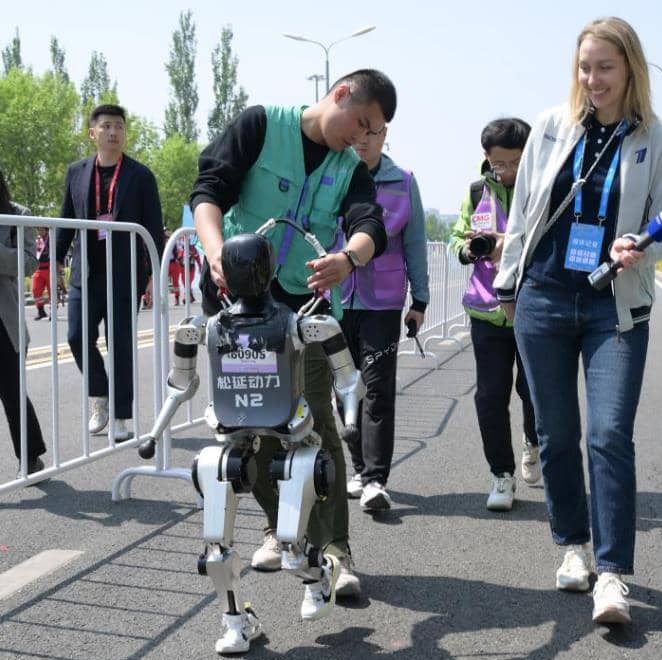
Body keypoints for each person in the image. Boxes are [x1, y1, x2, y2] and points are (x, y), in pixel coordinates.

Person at [493, 17, 662, 624]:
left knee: (609, 434)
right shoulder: (552, 126)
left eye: (605, 67)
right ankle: (573, 546)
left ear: (630, 69)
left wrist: (642, 246)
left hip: (613, 304)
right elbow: (524, 210)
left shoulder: (660, 140)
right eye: (584, 67)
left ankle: (613, 572)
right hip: (544, 296)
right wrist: (508, 284)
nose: (593, 79)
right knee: (555, 434)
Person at [190, 69, 394, 602]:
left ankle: (335, 550)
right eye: (361, 123)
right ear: (340, 94)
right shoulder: (261, 126)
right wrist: (216, 253)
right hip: (239, 309)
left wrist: (348, 258)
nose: (361, 137)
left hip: (304, 314)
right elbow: (209, 190)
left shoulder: (350, 167)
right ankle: (277, 528)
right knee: (248, 424)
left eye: (372, 132)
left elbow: (370, 223)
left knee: (315, 426)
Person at [55, 104, 164, 443]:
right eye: (106, 126)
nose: (113, 132)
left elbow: (153, 228)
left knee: (121, 345)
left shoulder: (141, 176)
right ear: (93, 133)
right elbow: (66, 219)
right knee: (76, 336)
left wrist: (153, 272)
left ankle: (120, 416)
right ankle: (99, 394)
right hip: (85, 273)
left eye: (119, 126)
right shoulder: (76, 172)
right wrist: (53, 260)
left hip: (125, 274)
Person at [450, 118, 539, 512]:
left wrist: (513, 245)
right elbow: (457, 237)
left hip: (533, 308)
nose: (508, 171)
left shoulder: (541, 187)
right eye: (499, 163)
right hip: (487, 311)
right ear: (486, 157)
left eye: (516, 162)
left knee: (534, 392)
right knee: (489, 395)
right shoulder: (476, 192)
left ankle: (533, 441)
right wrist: (468, 249)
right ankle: (502, 474)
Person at [340, 122, 429, 513]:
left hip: (383, 302)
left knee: (377, 388)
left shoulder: (403, 182)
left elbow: (416, 242)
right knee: (346, 389)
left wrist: (420, 299)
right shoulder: (334, 175)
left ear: (384, 133)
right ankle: (359, 469)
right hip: (336, 299)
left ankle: (376, 479)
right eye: (356, 133)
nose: (363, 141)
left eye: (372, 133)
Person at [0, 170, 48, 480]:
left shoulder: (17, 214)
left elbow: (29, 262)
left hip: (4, 319)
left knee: (12, 391)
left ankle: (30, 457)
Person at [30, 227, 56, 320]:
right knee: (35, 290)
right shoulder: (37, 240)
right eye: (38, 230)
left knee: (52, 292)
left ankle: (53, 312)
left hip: (49, 268)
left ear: (46, 230)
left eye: (41, 230)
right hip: (38, 269)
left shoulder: (52, 239)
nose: (39, 232)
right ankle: (41, 311)